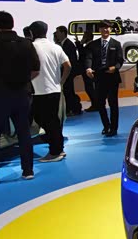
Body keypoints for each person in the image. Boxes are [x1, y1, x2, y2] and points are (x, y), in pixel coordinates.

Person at [0, 11, 40, 183]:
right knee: (24, 133)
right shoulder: (26, 43)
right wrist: (22, 80)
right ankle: (28, 171)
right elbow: (36, 70)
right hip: (22, 94)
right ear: (12, 24)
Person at [31, 21, 71, 162]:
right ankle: (58, 148)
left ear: (32, 32)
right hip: (54, 89)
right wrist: (61, 81)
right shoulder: (56, 47)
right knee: (53, 120)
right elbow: (68, 66)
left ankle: (55, 151)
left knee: (44, 120)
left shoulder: (32, 47)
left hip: (39, 90)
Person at [85, 20, 124, 137]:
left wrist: (115, 68)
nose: (105, 30)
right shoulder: (93, 45)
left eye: (107, 28)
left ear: (110, 29)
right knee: (100, 104)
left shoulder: (116, 44)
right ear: (99, 30)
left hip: (112, 78)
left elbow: (120, 60)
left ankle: (114, 128)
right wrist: (88, 68)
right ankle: (106, 126)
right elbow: (88, 58)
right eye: (103, 28)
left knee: (113, 104)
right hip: (99, 77)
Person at [54, 25, 82, 116]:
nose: (56, 34)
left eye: (58, 32)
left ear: (63, 33)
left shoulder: (68, 45)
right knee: (67, 91)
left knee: (69, 91)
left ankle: (74, 108)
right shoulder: (63, 44)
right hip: (66, 72)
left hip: (69, 72)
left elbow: (71, 60)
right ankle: (71, 108)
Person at [78, 28, 99, 112]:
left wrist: (80, 44)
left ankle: (95, 105)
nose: (83, 37)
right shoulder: (92, 45)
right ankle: (96, 104)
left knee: (90, 88)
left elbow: (82, 56)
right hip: (90, 70)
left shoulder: (89, 46)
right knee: (91, 88)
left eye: (84, 36)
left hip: (88, 70)